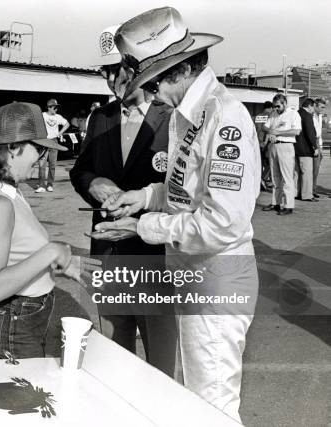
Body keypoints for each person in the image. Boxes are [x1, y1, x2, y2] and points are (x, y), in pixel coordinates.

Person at [94, 7, 259, 421]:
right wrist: (144, 197)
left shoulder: (225, 119)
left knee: (212, 403)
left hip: (217, 277)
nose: (149, 94)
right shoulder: (189, 115)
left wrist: (143, 225)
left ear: (179, 71)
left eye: (152, 83)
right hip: (192, 271)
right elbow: (184, 191)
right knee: (193, 396)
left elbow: (222, 223)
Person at [70, 23, 175, 377]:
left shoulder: (172, 118)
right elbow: (79, 171)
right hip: (110, 254)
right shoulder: (100, 118)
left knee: (162, 361)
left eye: (115, 70)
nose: (109, 78)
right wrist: (93, 181)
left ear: (138, 68)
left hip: (155, 256)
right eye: (104, 71)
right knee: (116, 357)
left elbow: (182, 190)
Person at [0, 102, 100, 359]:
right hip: (13, 325)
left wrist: (54, 266)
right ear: (12, 147)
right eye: (38, 148)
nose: (42, 157)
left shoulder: (9, 192)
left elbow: (17, 256)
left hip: (23, 319)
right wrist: (52, 251)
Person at [262, 93, 301, 215]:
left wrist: (277, 132)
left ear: (285, 103)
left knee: (287, 177)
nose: (276, 108)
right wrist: (271, 131)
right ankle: (276, 203)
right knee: (275, 177)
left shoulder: (293, 114)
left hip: (286, 146)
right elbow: (264, 127)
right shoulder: (274, 114)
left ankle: (288, 205)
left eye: (278, 106)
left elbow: (296, 131)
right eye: (274, 106)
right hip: (273, 146)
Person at [35, 99, 69, 193]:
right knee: (42, 165)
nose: (56, 109)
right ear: (49, 107)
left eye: (57, 107)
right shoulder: (42, 115)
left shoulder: (58, 117)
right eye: (55, 107)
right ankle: (41, 185)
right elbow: (35, 124)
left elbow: (67, 124)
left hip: (54, 141)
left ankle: (50, 184)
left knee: (52, 165)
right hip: (44, 141)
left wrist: (60, 133)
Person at [294, 98, 318, 202]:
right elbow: (310, 133)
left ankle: (296, 193)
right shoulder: (307, 116)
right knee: (307, 173)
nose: (313, 110)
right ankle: (307, 195)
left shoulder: (296, 114)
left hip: (295, 148)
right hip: (305, 149)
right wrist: (315, 147)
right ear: (309, 106)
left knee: (296, 173)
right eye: (313, 107)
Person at [253, 101, 274, 191]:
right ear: (270, 108)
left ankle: (260, 180)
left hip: (256, 143)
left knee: (259, 163)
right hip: (266, 143)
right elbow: (269, 131)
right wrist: (265, 142)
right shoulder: (270, 117)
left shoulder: (256, 117)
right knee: (271, 162)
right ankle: (263, 178)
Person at [312, 98, 326, 197]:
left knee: (316, 170)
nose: (322, 109)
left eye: (324, 107)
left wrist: (320, 147)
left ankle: (313, 189)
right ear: (315, 106)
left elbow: (319, 133)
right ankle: (310, 190)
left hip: (318, 144)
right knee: (312, 169)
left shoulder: (319, 116)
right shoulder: (311, 116)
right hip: (313, 143)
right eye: (321, 107)